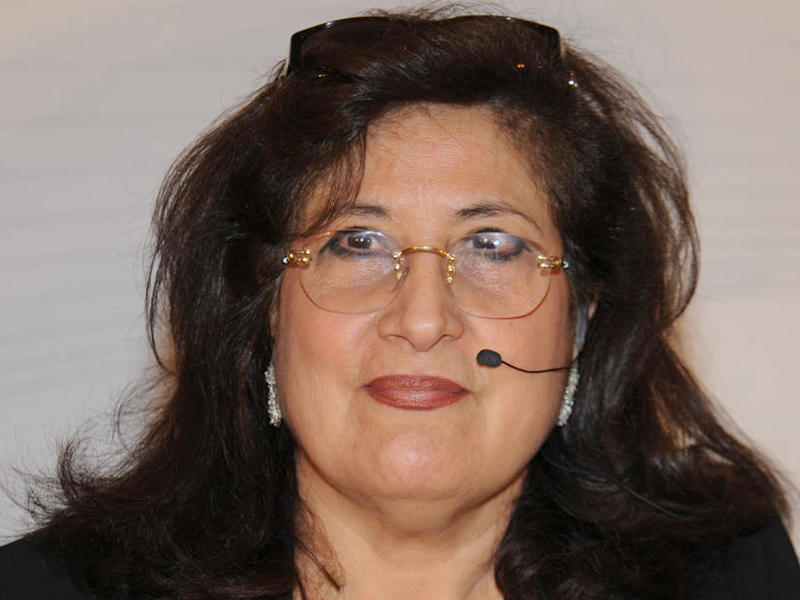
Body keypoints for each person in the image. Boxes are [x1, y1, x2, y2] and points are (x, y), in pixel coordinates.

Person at [1, 6, 798, 599]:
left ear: (582, 317)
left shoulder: (731, 577)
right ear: (266, 307)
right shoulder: (43, 589)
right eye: (356, 243)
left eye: (493, 245)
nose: (422, 319)